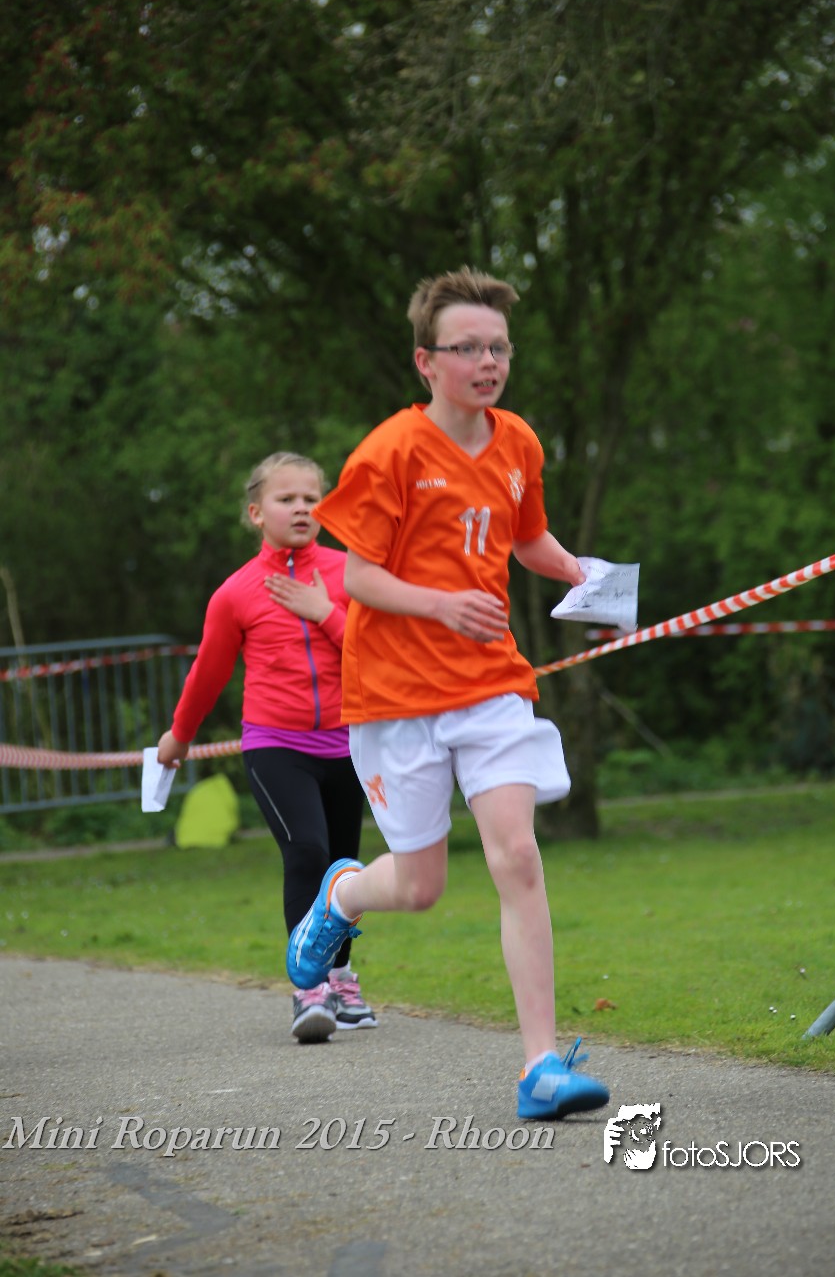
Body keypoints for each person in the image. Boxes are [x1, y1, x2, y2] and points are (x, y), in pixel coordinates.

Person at [285, 267, 610, 1120]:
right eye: (468, 348)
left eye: (498, 348)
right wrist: (440, 603)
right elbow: (358, 576)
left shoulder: (519, 443)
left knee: (517, 856)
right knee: (420, 887)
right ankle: (341, 897)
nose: (487, 362)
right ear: (426, 361)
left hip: (492, 683)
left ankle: (541, 1067)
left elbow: (527, 537)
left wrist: (580, 573)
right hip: (396, 697)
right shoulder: (390, 451)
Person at [157, 452, 376, 1044]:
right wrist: (180, 734)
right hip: (276, 744)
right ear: (256, 513)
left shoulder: (351, 573)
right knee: (307, 851)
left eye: (312, 498)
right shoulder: (235, 593)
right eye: (287, 499)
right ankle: (310, 991)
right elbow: (208, 673)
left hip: (349, 744)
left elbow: (378, 653)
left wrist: (324, 612)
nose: (302, 508)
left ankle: (341, 978)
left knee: (343, 868)